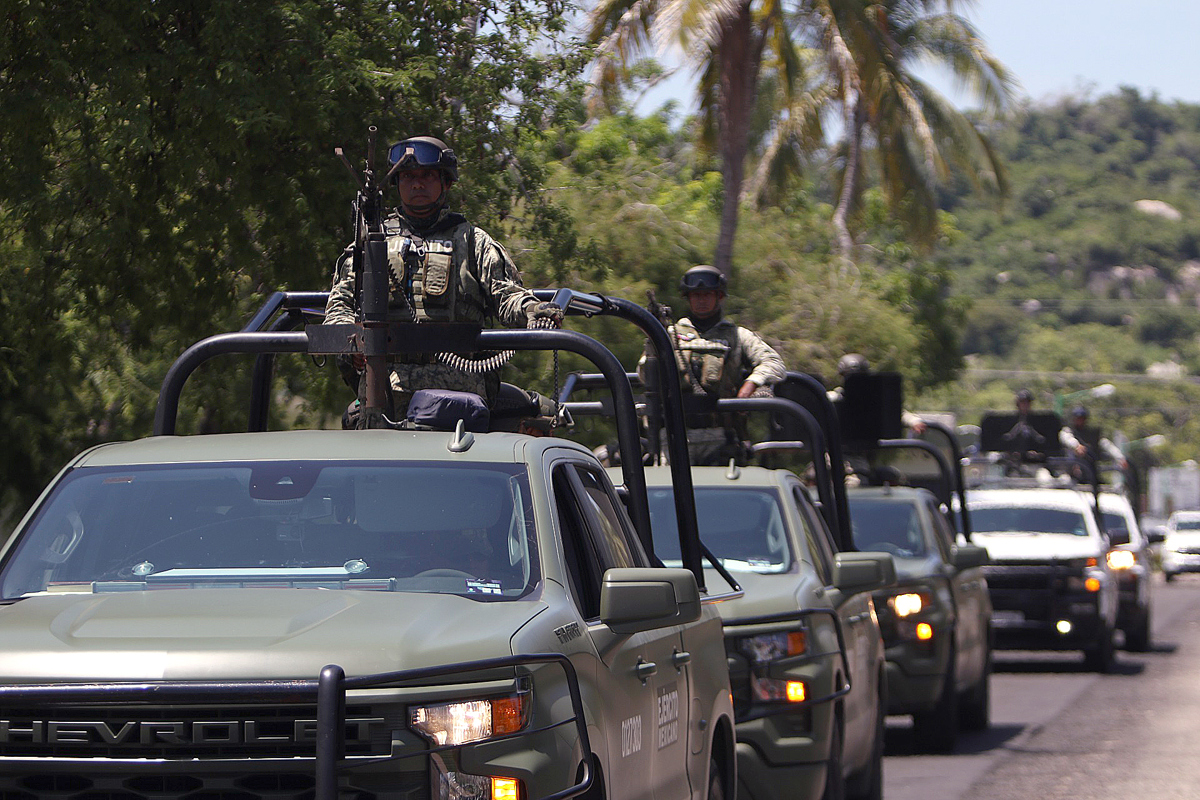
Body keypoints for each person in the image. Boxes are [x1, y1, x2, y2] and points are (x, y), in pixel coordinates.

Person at [324, 135, 562, 422]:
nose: (417, 184)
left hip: (459, 398)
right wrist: (353, 343)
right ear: (397, 184)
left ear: (446, 182)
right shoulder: (370, 245)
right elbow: (339, 306)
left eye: (427, 176)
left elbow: (506, 295)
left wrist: (532, 310)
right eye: (408, 176)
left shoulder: (472, 242)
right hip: (384, 393)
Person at [642, 265, 786, 465]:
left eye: (707, 294)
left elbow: (774, 362)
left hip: (722, 437)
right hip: (676, 436)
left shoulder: (737, 336)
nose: (701, 300)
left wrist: (750, 386)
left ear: (719, 296)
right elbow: (644, 374)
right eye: (696, 295)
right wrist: (653, 340)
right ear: (688, 298)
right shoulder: (669, 335)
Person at [1061, 405, 1128, 470]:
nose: (1080, 421)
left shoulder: (1091, 434)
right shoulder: (1068, 431)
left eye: (1082, 418)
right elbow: (1067, 438)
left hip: (1090, 467)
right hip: (1072, 468)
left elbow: (1106, 444)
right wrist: (1076, 446)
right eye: (1078, 418)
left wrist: (1120, 457)